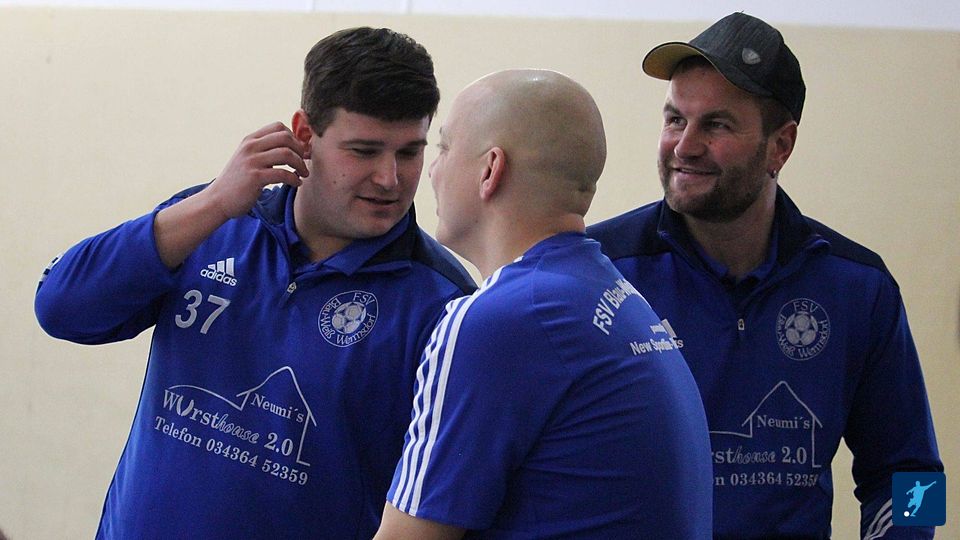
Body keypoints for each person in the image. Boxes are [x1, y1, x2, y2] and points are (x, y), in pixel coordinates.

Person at [34, 27, 475, 539]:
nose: (389, 179)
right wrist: (214, 203)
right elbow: (62, 309)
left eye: (409, 153)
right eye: (364, 151)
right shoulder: (210, 222)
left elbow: (445, 500)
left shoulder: (444, 302)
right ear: (304, 135)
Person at [586, 12, 943, 539]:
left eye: (716, 125)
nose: (684, 146)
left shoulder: (858, 287)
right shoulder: (599, 274)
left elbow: (914, 474)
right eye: (675, 120)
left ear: (781, 146)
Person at [374, 69, 713, 539]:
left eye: (445, 148)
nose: (431, 172)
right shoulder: (615, 297)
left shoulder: (503, 319)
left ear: (490, 170)